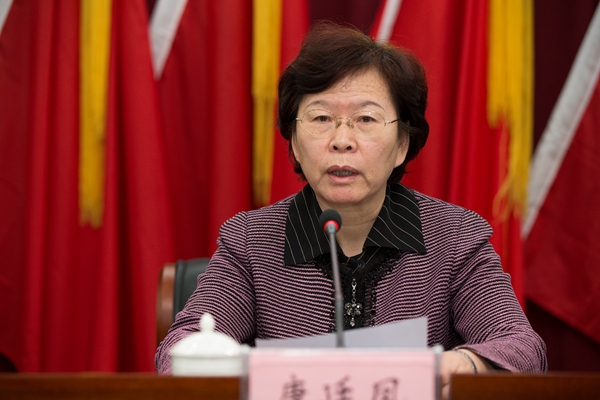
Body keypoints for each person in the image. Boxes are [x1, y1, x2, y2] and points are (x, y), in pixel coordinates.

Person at [156, 22, 547, 398]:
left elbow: (522, 348)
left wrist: (466, 364)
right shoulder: (251, 240)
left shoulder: (453, 236)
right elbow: (178, 349)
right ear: (294, 142)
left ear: (402, 145)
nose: (342, 140)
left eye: (365, 119)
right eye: (322, 118)